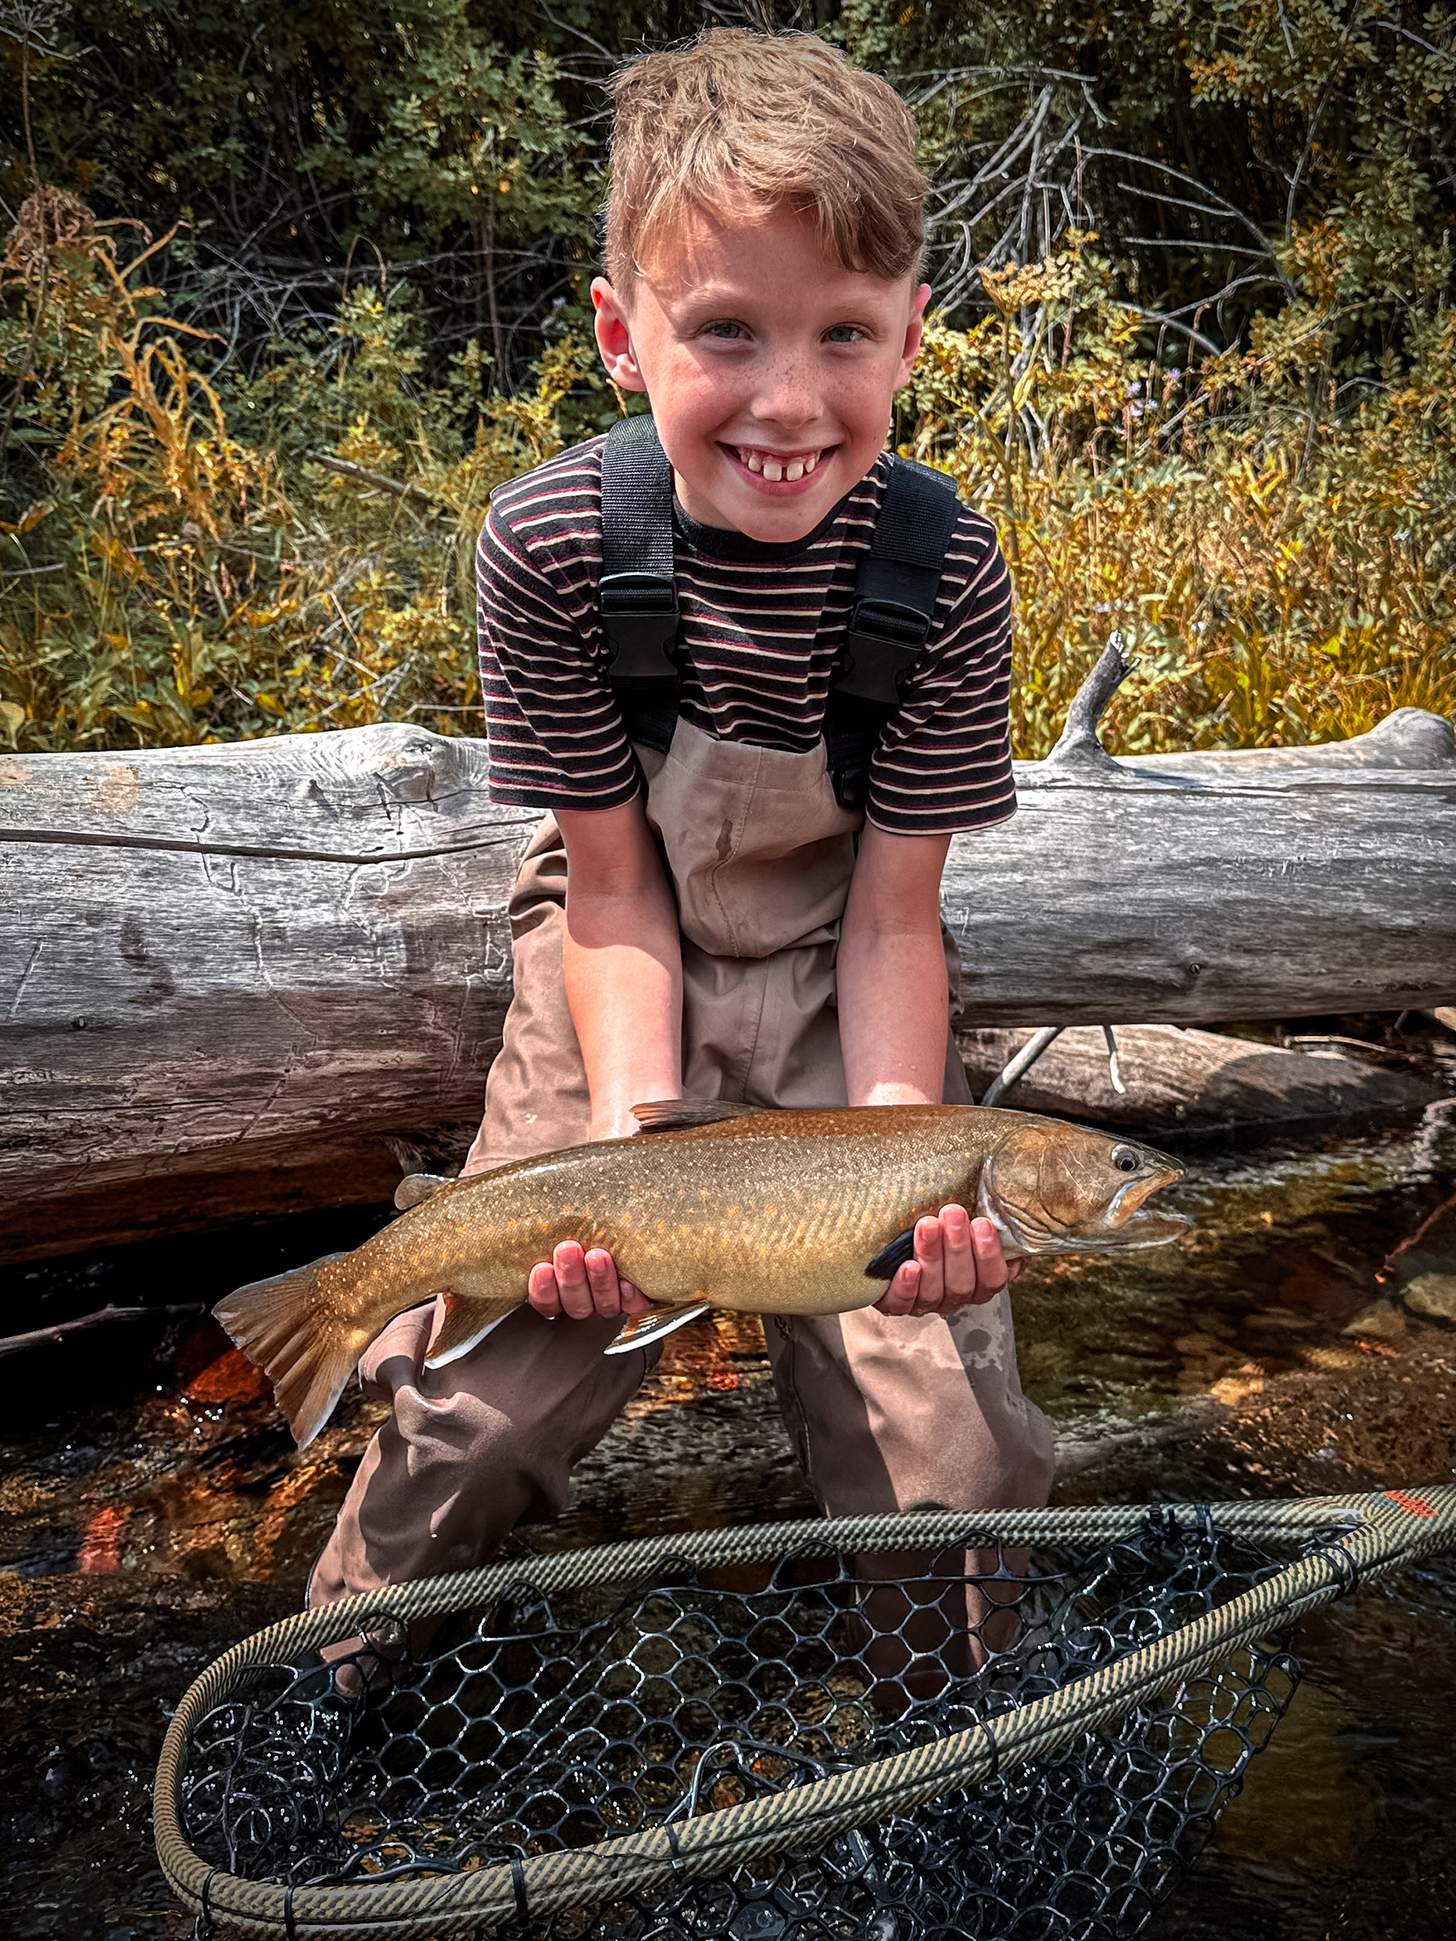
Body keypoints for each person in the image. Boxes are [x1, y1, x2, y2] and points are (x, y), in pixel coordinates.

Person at [307, 25, 1055, 1623]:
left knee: (955, 1457)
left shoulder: (945, 569)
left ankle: (947, 1734)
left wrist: (903, 1174)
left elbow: (894, 918)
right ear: (621, 336)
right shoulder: (557, 545)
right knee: (478, 1422)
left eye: (844, 332)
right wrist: (639, 1159)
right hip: (613, 948)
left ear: (915, 334)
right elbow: (612, 892)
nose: (789, 401)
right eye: (727, 330)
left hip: (842, 972)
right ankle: (334, 1673)